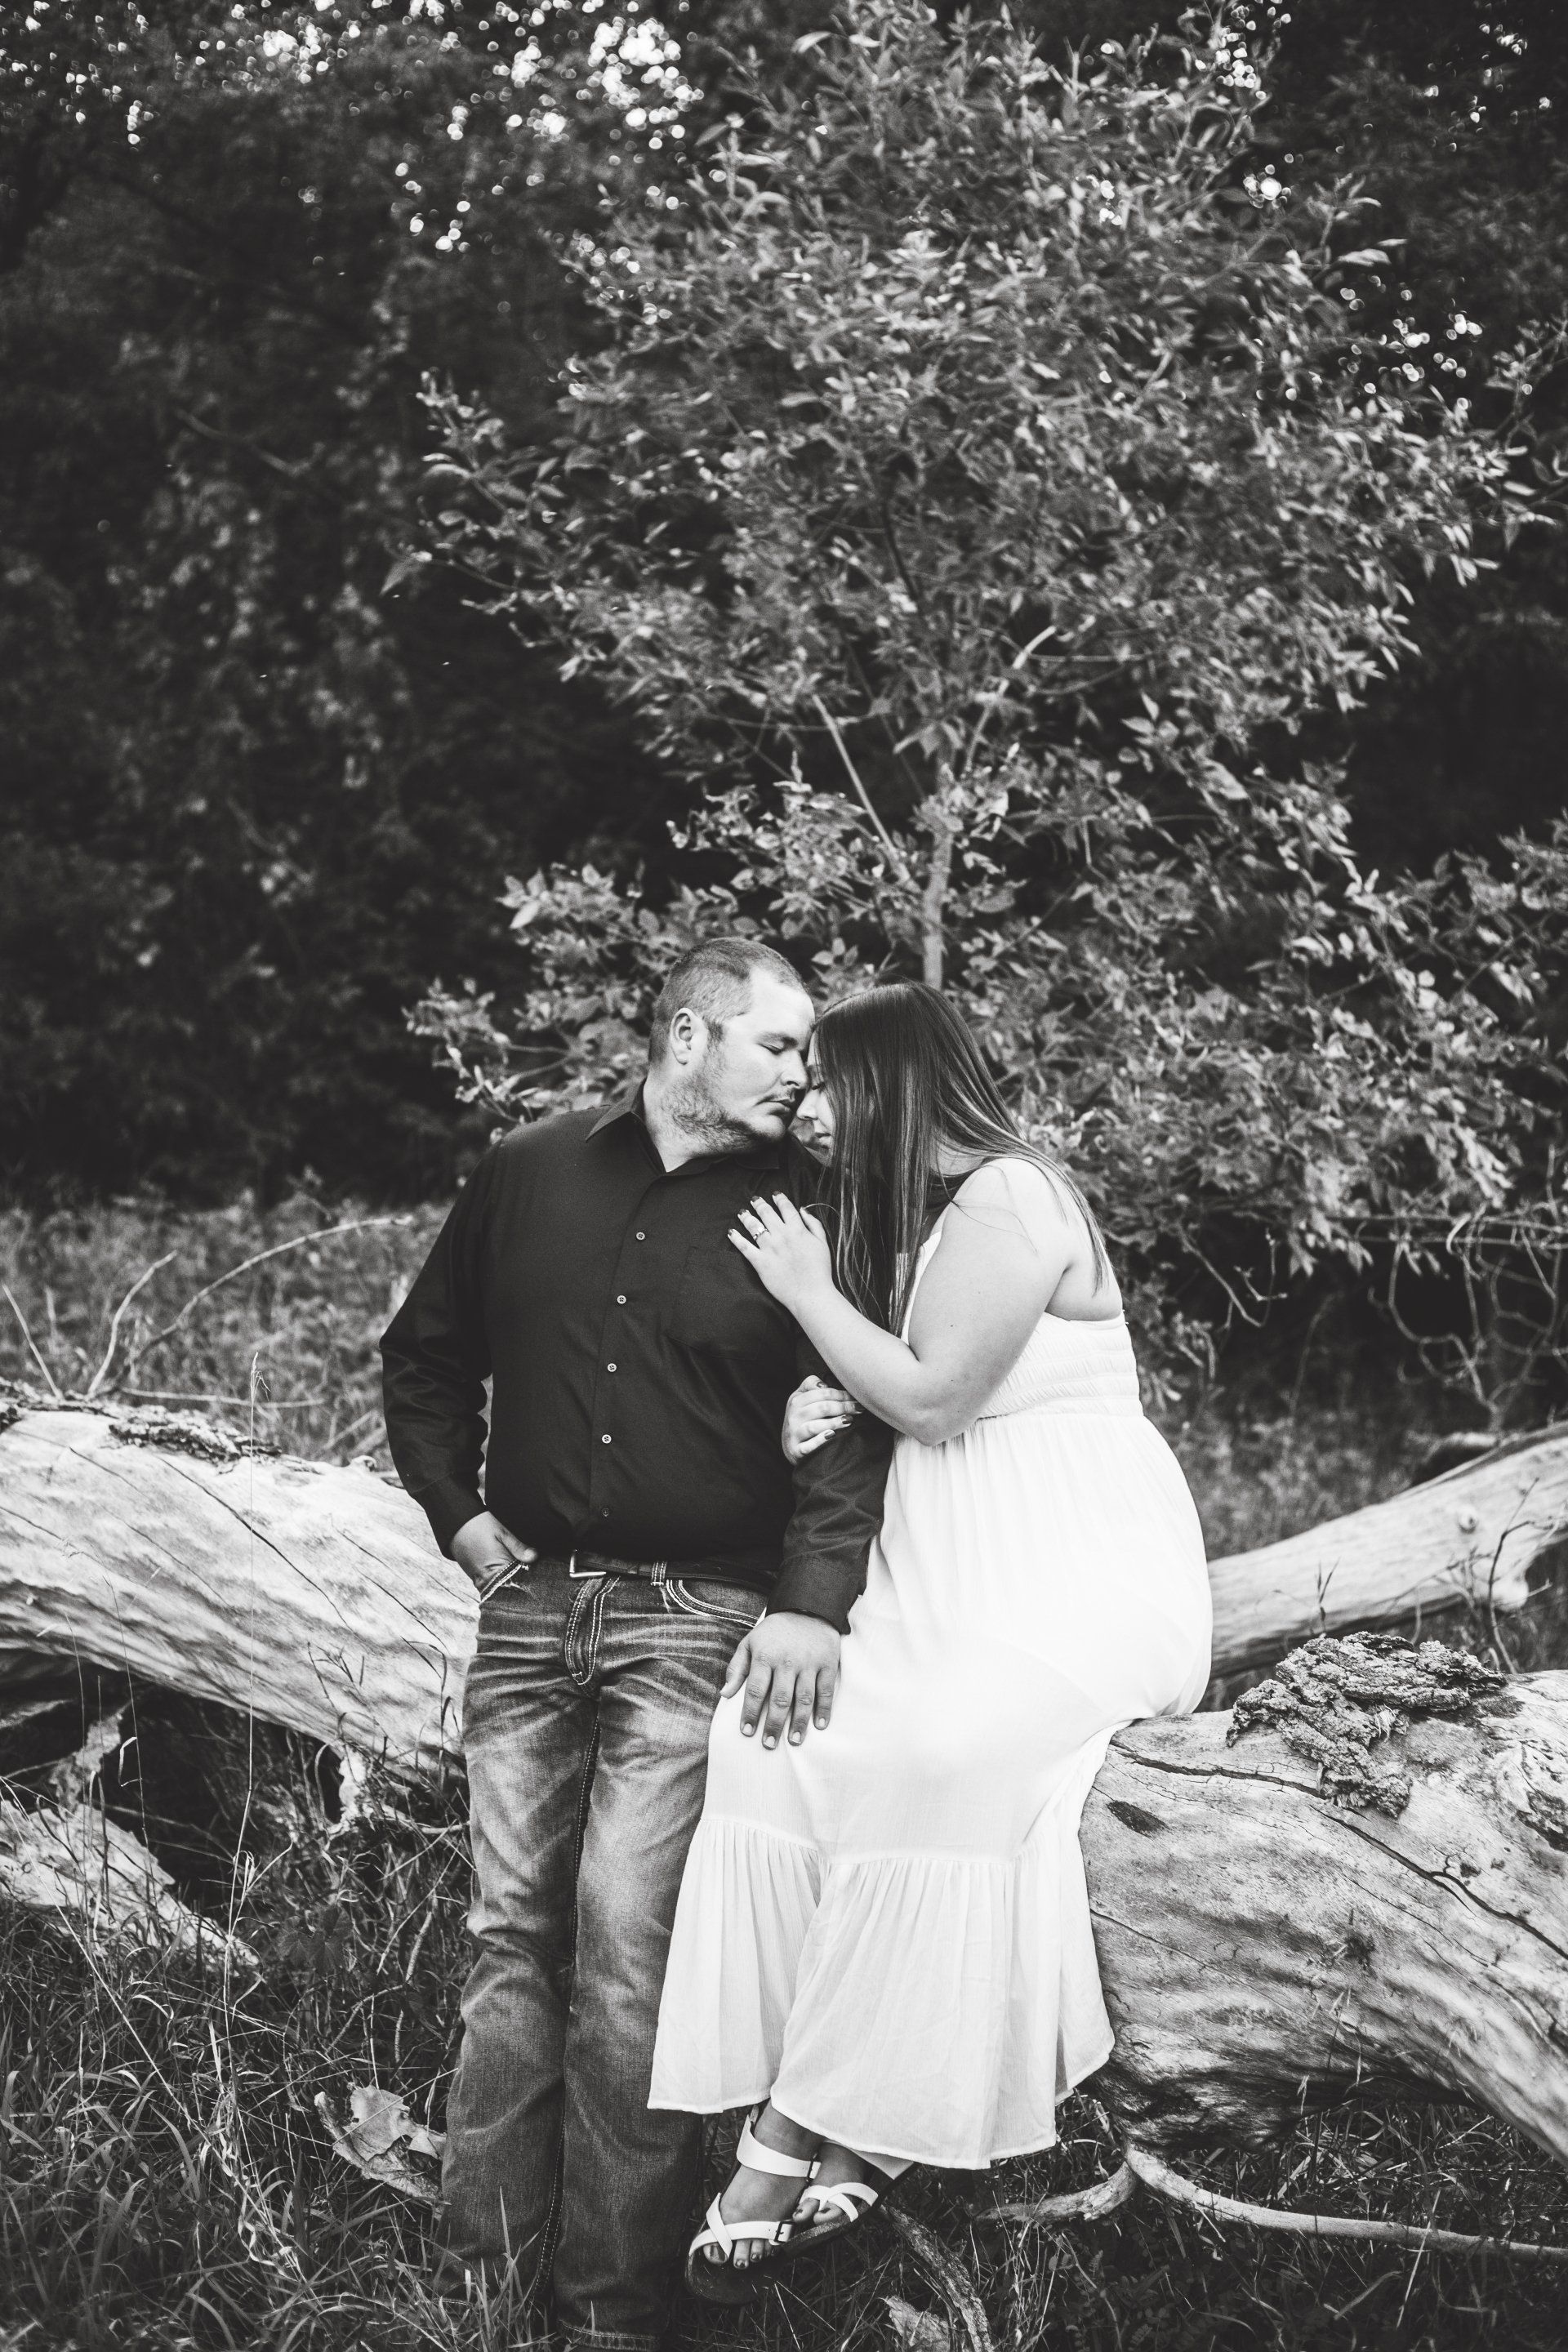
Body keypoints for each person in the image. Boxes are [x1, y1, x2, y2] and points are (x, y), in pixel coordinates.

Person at [649, 981, 1214, 2295]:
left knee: (946, 1757)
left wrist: (803, 1294)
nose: (814, 1112)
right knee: (769, 1746)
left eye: (832, 1085)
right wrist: (808, 1408)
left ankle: (797, 2125)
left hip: (1076, 1574)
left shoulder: (1017, 1196)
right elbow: (873, 1402)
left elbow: (935, 1396)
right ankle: (873, 2117)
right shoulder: (905, 1221)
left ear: (894, 1080)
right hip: (948, 1570)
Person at [379, 938, 893, 2351]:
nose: (805, 1072)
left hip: (703, 1619)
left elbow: (856, 1428)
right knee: (507, 1945)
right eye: (781, 1045)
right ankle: (476, 2288)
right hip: (530, 1609)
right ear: (687, 1039)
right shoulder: (530, 1169)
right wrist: (463, 1526)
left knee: (629, 1958)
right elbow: (421, 1358)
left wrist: (808, 1599)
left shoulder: (810, 1209)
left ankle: (610, 2313)